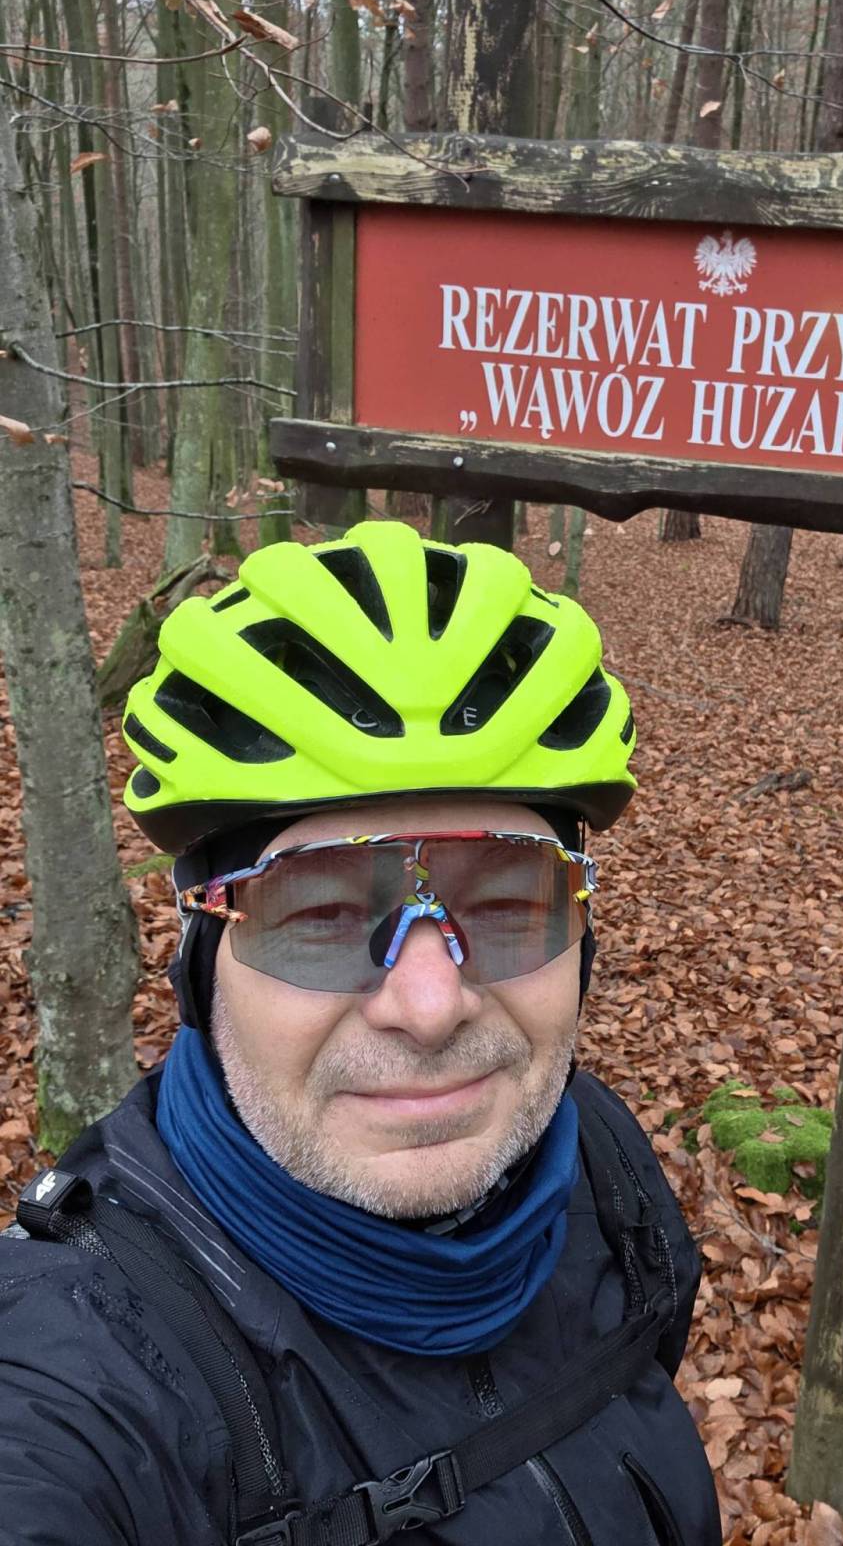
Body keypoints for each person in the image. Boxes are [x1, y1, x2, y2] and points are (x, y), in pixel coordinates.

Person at [0, 521, 722, 1546]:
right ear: (203, 957)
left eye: (507, 902)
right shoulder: (71, 1374)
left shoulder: (600, 1165)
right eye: (322, 915)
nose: (429, 1007)